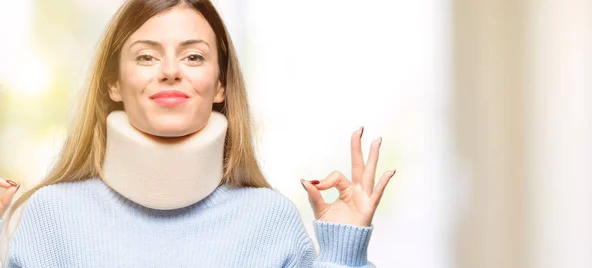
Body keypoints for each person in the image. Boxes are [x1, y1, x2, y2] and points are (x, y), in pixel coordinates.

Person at [0, 0, 395, 267]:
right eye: (146, 56)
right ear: (113, 84)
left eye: (193, 56)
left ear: (220, 85)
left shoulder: (270, 219)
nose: (171, 70)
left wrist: (345, 249)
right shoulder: (48, 216)